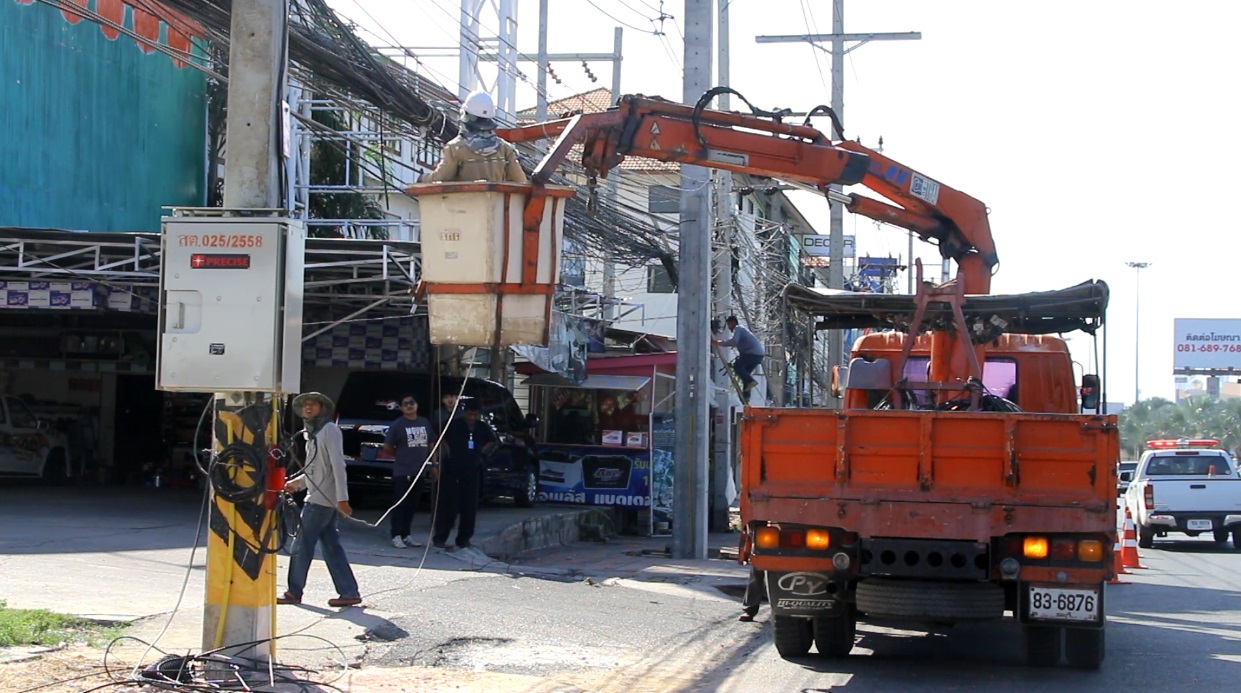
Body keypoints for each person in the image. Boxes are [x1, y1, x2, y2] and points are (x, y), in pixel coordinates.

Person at [279, 392, 362, 608]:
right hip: (319, 496)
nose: (308, 408)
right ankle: (349, 592)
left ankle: (293, 591)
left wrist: (342, 499)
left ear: (322, 408)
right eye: (305, 405)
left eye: (312, 405)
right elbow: (315, 469)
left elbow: (338, 466)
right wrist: (297, 483)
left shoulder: (329, 430)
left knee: (301, 544)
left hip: (321, 500)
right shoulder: (312, 433)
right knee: (331, 546)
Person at [433, 399, 498, 551]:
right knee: (448, 505)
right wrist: (447, 449)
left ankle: (464, 539)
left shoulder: (482, 427)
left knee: (469, 506)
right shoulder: (454, 424)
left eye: (475, 415)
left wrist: (481, 453)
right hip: (452, 468)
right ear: (465, 412)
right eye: (469, 414)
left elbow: (493, 441)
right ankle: (440, 537)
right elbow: (438, 434)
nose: (472, 417)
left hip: (472, 469)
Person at [427, 91, 528, 184]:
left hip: (465, 202)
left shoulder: (455, 148)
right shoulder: (505, 149)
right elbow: (520, 181)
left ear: (465, 115)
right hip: (497, 203)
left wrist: (423, 178)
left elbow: (441, 178)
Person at [382, 394, 432, 549]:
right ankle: (396, 535)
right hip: (402, 471)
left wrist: (434, 465)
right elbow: (387, 446)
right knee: (400, 504)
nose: (409, 406)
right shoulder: (397, 425)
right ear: (401, 408)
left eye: (412, 402)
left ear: (416, 404)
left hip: (420, 471)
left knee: (413, 504)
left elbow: (431, 443)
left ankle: (406, 534)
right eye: (405, 404)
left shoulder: (424, 422)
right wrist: (401, 456)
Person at [713, 315, 766, 393]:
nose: (729, 327)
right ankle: (746, 396)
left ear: (733, 322)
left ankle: (750, 381)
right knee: (745, 374)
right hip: (758, 355)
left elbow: (734, 342)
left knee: (737, 367)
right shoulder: (742, 331)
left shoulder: (738, 328)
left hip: (752, 354)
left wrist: (719, 343)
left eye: (729, 325)